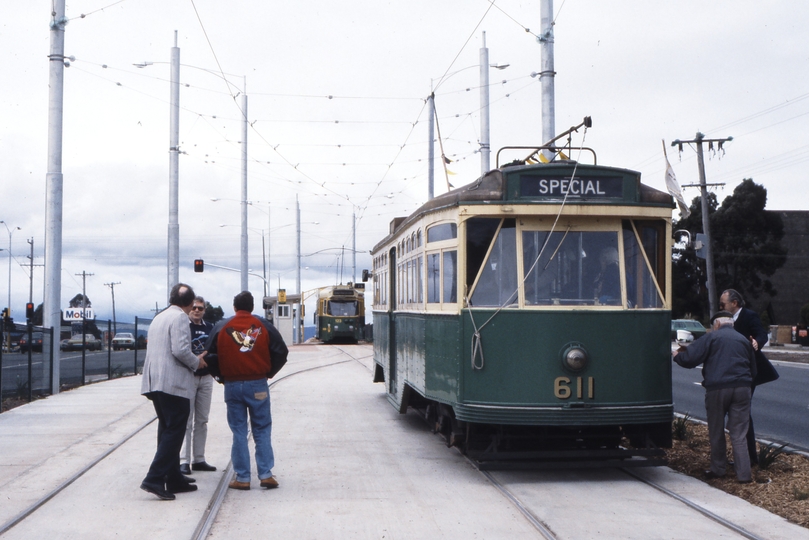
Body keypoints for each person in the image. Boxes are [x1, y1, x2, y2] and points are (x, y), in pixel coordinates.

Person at [205, 291, 288, 490]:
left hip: (232, 386)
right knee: (262, 429)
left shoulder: (221, 326)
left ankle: (242, 477)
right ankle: (266, 474)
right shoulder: (264, 325)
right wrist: (268, 372)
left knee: (239, 431)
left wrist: (221, 376)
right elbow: (282, 352)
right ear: (252, 307)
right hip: (258, 384)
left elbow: (208, 355)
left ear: (234, 307)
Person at [140, 283, 207, 500]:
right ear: (189, 303)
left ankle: (174, 476)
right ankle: (154, 478)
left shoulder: (159, 317)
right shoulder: (180, 318)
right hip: (173, 383)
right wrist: (198, 363)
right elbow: (179, 350)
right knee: (175, 430)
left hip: (155, 381)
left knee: (166, 427)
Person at [673, 310, 757, 483]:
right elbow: (754, 370)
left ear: (717, 324)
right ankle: (744, 475)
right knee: (739, 433)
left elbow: (690, 359)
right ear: (731, 324)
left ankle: (718, 469)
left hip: (718, 388)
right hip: (742, 388)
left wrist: (677, 356)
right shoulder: (743, 340)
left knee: (716, 429)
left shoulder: (712, 338)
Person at [719, 289, 780, 465]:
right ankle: (744, 457)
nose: (720, 306)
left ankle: (750, 458)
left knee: (742, 412)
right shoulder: (723, 319)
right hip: (731, 372)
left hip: (747, 372)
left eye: (723, 304)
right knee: (738, 412)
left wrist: (757, 343)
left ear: (734, 303)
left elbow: (760, 334)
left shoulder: (749, 316)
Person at [179, 296, 217, 476]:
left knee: (202, 420)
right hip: (188, 376)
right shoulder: (183, 325)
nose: (196, 311)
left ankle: (199, 459)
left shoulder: (210, 328)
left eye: (200, 308)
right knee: (186, 420)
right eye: (194, 307)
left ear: (204, 310)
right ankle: (183, 461)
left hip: (206, 377)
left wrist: (204, 358)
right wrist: (196, 360)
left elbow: (215, 348)